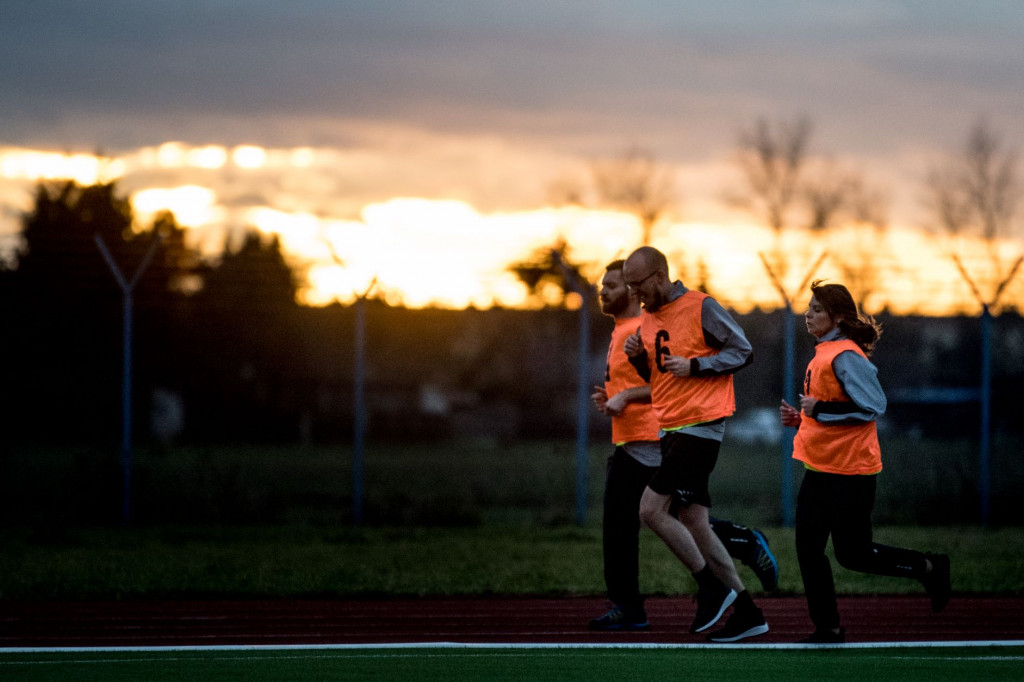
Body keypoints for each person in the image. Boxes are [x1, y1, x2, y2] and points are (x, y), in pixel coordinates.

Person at [589, 260, 779, 632]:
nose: (630, 292)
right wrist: (639, 361)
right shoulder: (649, 321)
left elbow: (742, 351)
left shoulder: (698, 306)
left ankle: (713, 587)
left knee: (651, 511)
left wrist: (688, 369)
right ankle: (746, 610)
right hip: (670, 430)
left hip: (694, 429)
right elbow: (661, 381)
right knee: (691, 520)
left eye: (631, 284)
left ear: (658, 277)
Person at [779, 280, 951, 644]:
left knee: (853, 554)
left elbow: (873, 407)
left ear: (838, 317)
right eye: (809, 307)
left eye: (817, 309)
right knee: (808, 550)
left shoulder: (846, 355)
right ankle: (828, 628)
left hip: (851, 473)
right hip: (820, 470)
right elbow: (832, 410)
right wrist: (804, 417)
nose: (808, 314)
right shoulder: (823, 353)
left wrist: (820, 409)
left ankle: (929, 566)